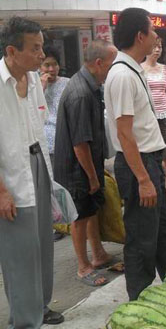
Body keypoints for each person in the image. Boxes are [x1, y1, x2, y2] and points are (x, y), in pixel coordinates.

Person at [104, 8, 166, 301]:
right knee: (141, 240)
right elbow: (125, 133)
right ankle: (138, 305)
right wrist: (143, 179)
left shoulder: (134, 69)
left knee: (164, 234)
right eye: (152, 31)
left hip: (148, 163)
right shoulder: (122, 74)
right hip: (138, 167)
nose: (156, 37)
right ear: (140, 36)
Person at [0, 17, 64, 327]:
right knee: (19, 254)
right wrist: (1, 192)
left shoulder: (33, 80)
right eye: (35, 48)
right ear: (12, 50)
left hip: (38, 163)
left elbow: (39, 126)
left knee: (42, 245)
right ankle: (24, 322)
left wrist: (49, 178)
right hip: (9, 175)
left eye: (41, 47)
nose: (42, 55)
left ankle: (40, 306)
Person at [53, 40, 118, 287]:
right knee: (79, 216)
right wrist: (91, 176)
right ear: (99, 63)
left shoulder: (91, 87)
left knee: (91, 210)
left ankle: (98, 254)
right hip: (76, 169)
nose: (114, 70)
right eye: (112, 64)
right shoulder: (80, 93)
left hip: (87, 164)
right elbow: (80, 144)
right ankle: (83, 266)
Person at [141, 39, 166, 207]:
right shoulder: (140, 69)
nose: (157, 50)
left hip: (165, 115)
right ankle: (155, 187)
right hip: (148, 116)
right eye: (154, 46)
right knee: (151, 155)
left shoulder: (164, 69)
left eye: (160, 47)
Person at [39, 45, 69, 167]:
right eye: (47, 65)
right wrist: (41, 88)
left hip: (63, 141)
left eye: (54, 64)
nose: (51, 69)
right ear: (40, 66)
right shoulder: (33, 85)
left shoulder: (67, 83)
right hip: (44, 144)